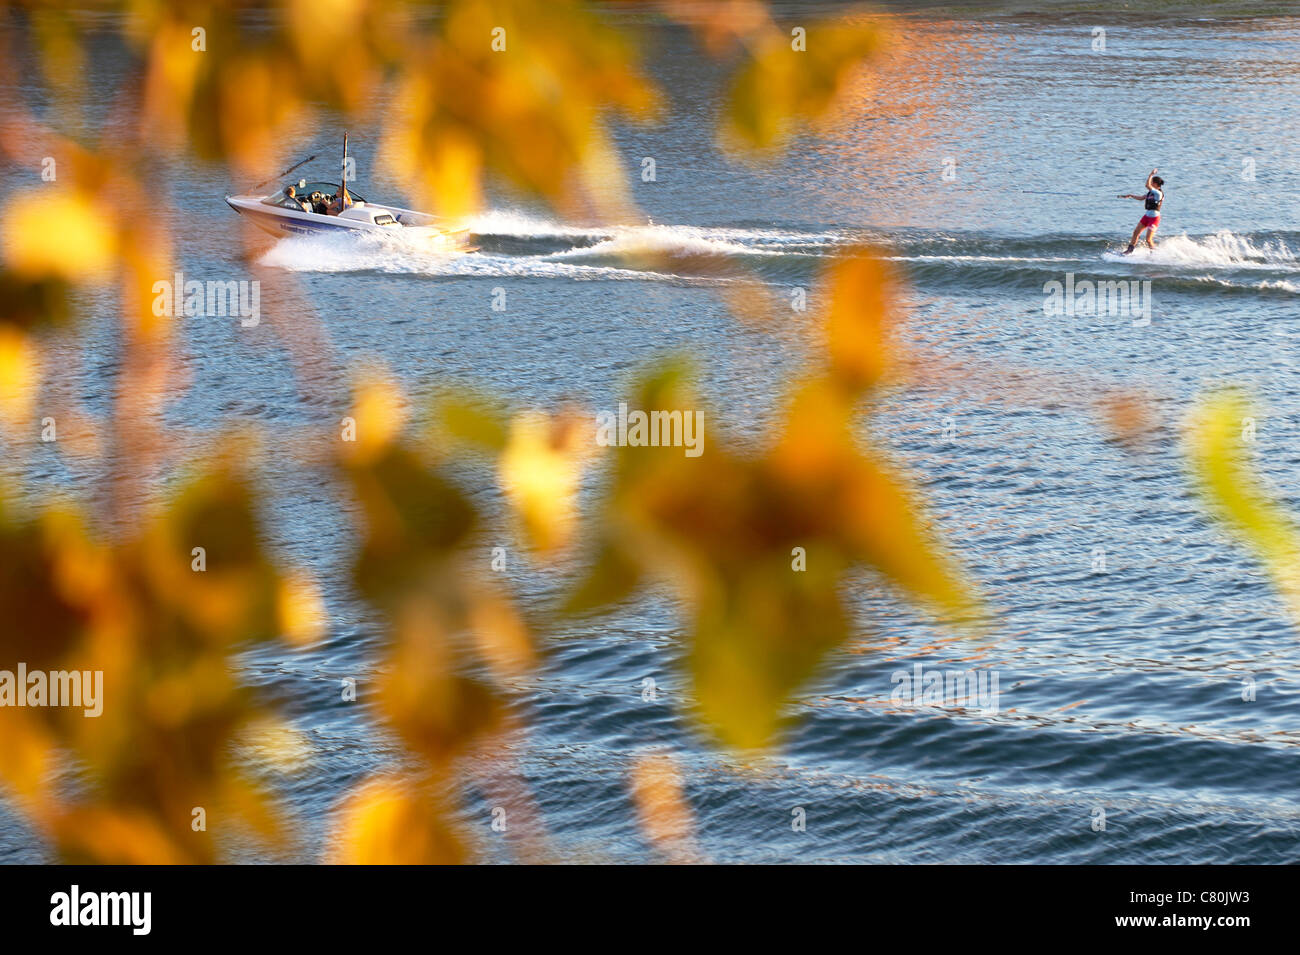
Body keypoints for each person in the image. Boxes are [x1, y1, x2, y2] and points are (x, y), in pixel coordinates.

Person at [1119, 169, 1164, 253]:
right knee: (1136, 232)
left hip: (1154, 218)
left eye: (1152, 182)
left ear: (1155, 184)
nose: (1150, 184)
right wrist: (1131, 196)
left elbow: (1147, 185)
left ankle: (1155, 254)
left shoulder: (1158, 193)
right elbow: (1141, 198)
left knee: (1148, 239)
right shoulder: (1150, 193)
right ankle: (1129, 251)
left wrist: (1151, 174)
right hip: (1147, 216)